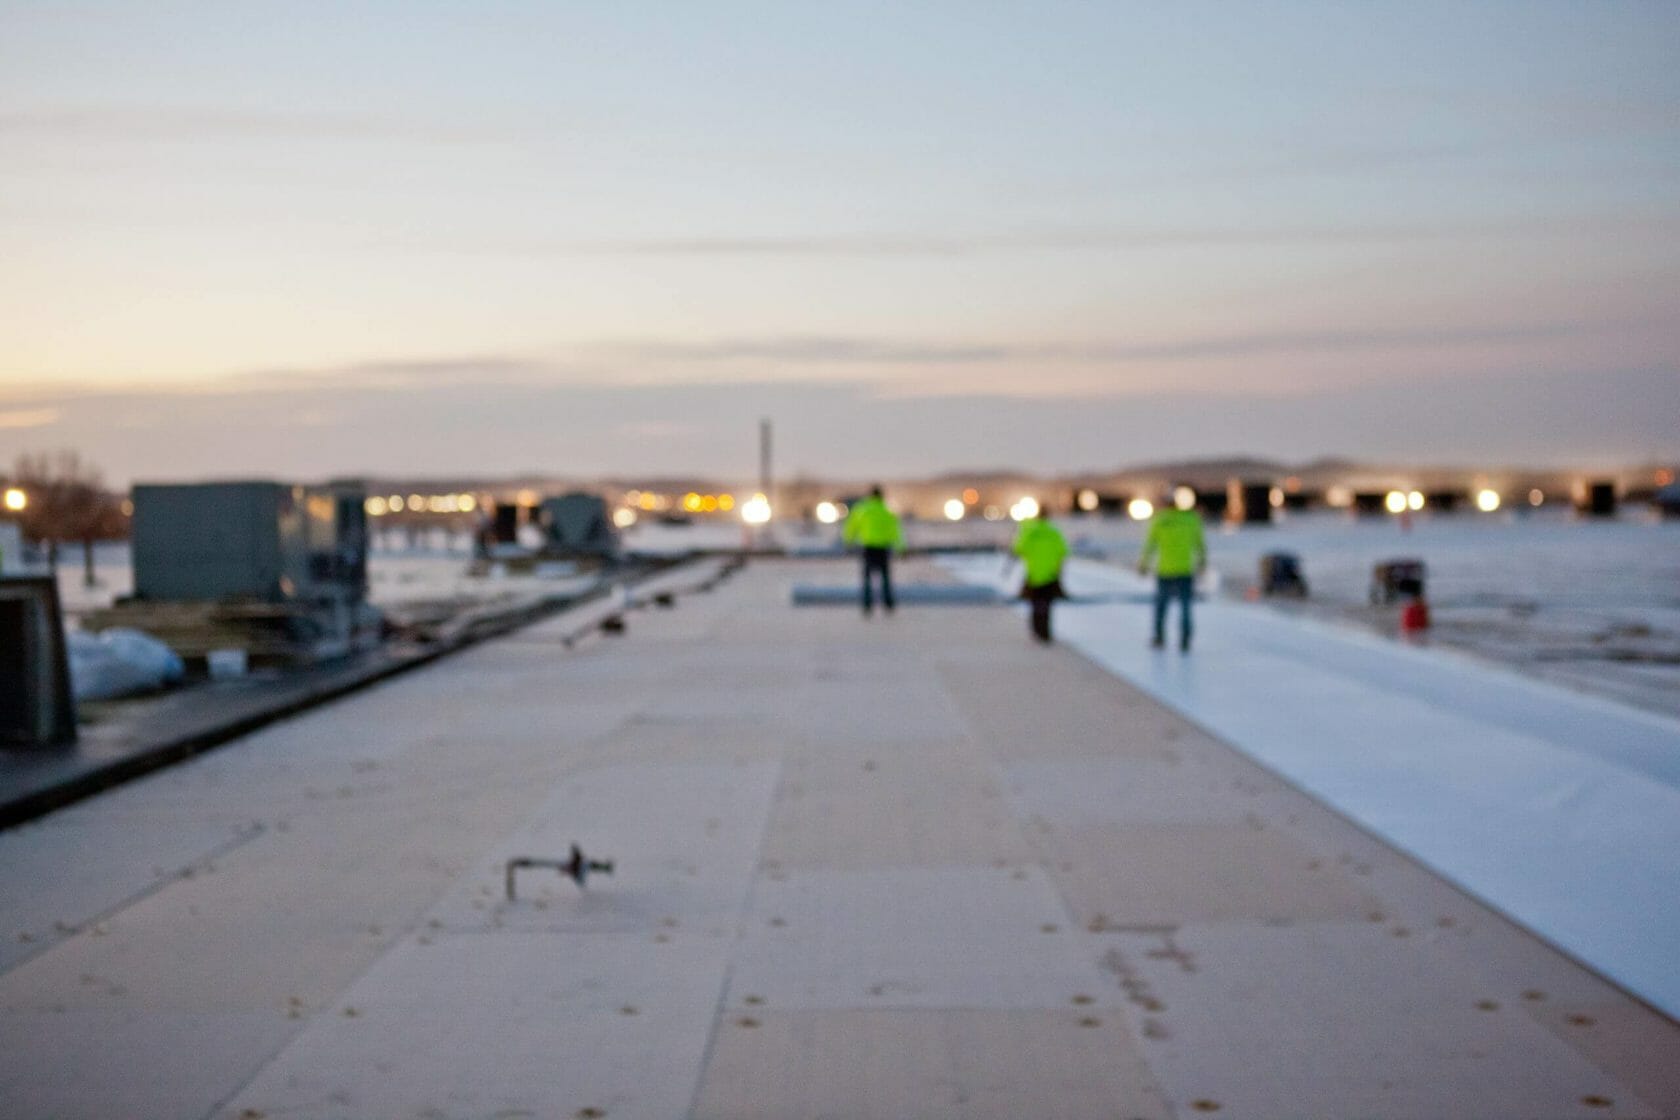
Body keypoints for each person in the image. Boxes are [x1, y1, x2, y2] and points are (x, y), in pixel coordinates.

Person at [1138, 491, 1206, 651]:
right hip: (1185, 570)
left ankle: (1159, 637)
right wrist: (1202, 563)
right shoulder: (1191, 520)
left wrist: (1143, 564)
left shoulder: (1160, 520)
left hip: (1165, 570)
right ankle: (1185, 640)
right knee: (1185, 606)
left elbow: (1150, 545)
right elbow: (1200, 545)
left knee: (1161, 606)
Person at [1011, 504, 1069, 643]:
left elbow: (1018, 549)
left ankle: (1037, 630)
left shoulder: (1030, 531)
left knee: (1036, 604)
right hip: (1050, 574)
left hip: (1034, 573)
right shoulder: (1054, 532)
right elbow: (1063, 551)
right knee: (1047, 605)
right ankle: (1045, 632)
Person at [842, 486, 903, 616]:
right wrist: (900, 548)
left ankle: (867, 605)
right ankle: (888, 604)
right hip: (883, 548)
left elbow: (852, 527)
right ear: (881, 496)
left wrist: (848, 542)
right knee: (886, 578)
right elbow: (896, 531)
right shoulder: (887, 511)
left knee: (867, 578)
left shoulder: (862, 510)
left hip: (868, 547)